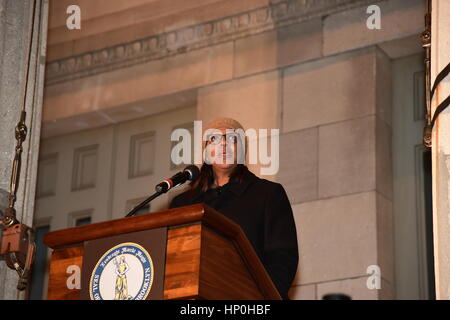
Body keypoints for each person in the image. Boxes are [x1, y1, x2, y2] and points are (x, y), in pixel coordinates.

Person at [169, 117, 299, 300]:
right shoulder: (183, 203)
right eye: (214, 139)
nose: (223, 145)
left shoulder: (267, 194)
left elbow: (283, 260)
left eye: (231, 139)